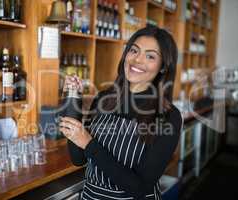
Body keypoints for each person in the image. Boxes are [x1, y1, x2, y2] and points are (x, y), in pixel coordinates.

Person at [59, 25, 183, 200]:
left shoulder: (169, 116)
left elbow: (139, 188)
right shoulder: (104, 98)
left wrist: (88, 143)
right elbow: (78, 159)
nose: (137, 60)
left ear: (163, 66)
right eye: (134, 50)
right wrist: (73, 100)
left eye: (150, 56)